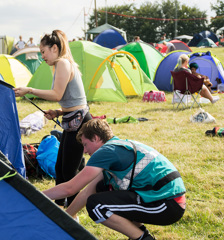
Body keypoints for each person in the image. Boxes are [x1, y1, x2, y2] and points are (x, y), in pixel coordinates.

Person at [43, 119, 186, 240]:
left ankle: (144, 238)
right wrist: (64, 220)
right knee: (100, 189)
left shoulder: (106, 152)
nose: (85, 151)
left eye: (85, 144)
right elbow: (87, 192)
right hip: (167, 199)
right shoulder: (117, 146)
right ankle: (142, 235)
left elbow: (70, 188)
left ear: (96, 138)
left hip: (167, 203)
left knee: (97, 206)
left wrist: (36, 195)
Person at [14, 29, 92, 207]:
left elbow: (57, 94)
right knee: (60, 168)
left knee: (69, 171)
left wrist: (30, 89)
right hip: (72, 120)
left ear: (54, 48)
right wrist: (58, 112)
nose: (42, 56)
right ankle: (58, 208)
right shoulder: (61, 65)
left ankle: (72, 213)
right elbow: (72, 99)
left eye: (43, 52)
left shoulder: (63, 63)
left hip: (79, 122)